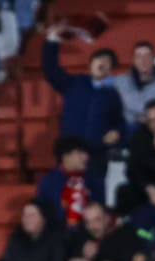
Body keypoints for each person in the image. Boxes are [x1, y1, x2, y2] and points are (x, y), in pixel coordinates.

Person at [42, 31, 123, 163]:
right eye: (99, 59)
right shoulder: (73, 83)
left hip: (96, 155)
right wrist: (52, 42)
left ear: (110, 70)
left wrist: (116, 131)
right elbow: (50, 70)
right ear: (90, 65)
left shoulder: (112, 94)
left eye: (107, 61)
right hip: (70, 152)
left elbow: (118, 122)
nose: (102, 63)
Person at [36, 136, 104, 228]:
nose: (86, 157)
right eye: (80, 153)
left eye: (86, 153)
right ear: (65, 156)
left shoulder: (93, 180)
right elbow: (42, 215)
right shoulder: (48, 183)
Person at [115, 41, 155, 132]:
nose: (143, 60)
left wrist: (138, 115)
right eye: (139, 56)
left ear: (154, 58)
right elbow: (120, 109)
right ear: (134, 60)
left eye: (147, 56)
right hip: (128, 126)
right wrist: (134, 118)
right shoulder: (122, 81)